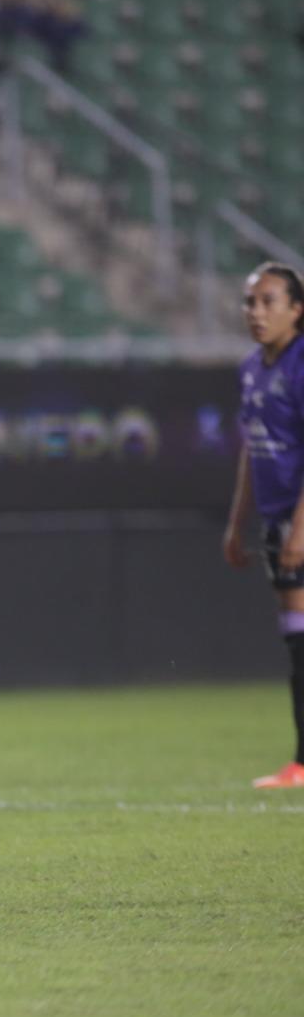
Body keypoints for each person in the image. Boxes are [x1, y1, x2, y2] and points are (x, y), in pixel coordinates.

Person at [223, 261, 304, 789]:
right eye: (251, 301)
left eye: (268, 301)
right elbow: (252, 451)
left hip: (299, 520)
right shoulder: (253, 368)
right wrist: (237, 524)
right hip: (278, 519)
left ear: (297, 310)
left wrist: (302, 526)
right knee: (296, 635)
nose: (256, 312)